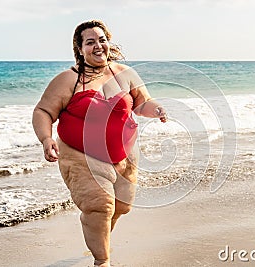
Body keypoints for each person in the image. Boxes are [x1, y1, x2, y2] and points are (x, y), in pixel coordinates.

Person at [32, 19, 167, 267]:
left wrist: (156, 109)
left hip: (124, 155)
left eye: (102, 40)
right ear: (80, 48)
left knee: (122, 207)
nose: (98, 46)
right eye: (90, 42)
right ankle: (101, 261)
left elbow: (141, 103)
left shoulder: (124, 74)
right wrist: (46, 138)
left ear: (108, 43)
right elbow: (43, 111)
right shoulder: (67, 80)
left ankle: (97, 232)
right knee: (100, 207)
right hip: (80, 154)